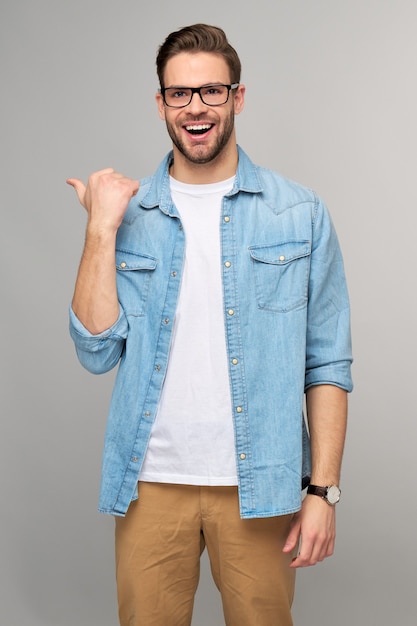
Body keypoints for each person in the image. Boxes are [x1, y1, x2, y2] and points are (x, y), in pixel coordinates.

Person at [67, 23, 353, 626]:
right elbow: (94, 350)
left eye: (211, 92)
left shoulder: (298, 213)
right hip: (150, 485)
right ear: (162, 103)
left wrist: (322, 492)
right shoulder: (129, 213)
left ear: (237, 98)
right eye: (180, 93)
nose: (195, 107)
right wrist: (100, 229)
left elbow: (326, 364)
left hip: (261, 486)